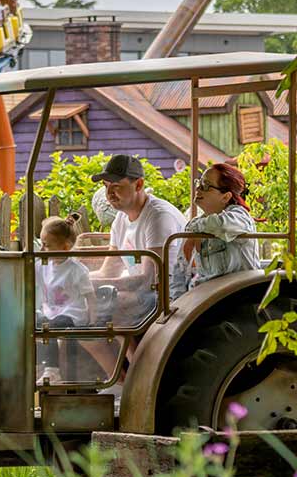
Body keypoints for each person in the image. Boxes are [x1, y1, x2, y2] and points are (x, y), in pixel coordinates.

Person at [82, 154, 186, 374]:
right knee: (76, 312)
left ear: (139, 184)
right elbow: (109, 270)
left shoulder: (158, 217)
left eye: (117, 186)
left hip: (169, 294)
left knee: (109, 303)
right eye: (106, 186)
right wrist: (81, 280)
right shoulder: (121, 219)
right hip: (145, 291)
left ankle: (141, 375)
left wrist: (91, 285)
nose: (109, 193)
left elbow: (149, 280)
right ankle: (118, 379)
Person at [170, 164, 260, 300]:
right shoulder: (197, 224)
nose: (198, 188)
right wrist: (176, 303)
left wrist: (194, 228)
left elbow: (221, 225)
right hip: (206, 297)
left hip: (235, 298)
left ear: (225, 197)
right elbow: (180, 271)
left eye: (206, 185)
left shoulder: (239, 216)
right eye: (199, 183)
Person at [36, 215, 98, 384]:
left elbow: (89, 296)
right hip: (50, 311)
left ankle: (53, 371)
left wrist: (93, 319)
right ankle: (38, 365)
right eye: (41, 243)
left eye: (46, 245)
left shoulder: (76, 270)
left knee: (50, 327)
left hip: (72, 313)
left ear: (65, 247)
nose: (42, 249)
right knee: (34, 322)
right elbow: (26, 271)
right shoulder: (42, 264)